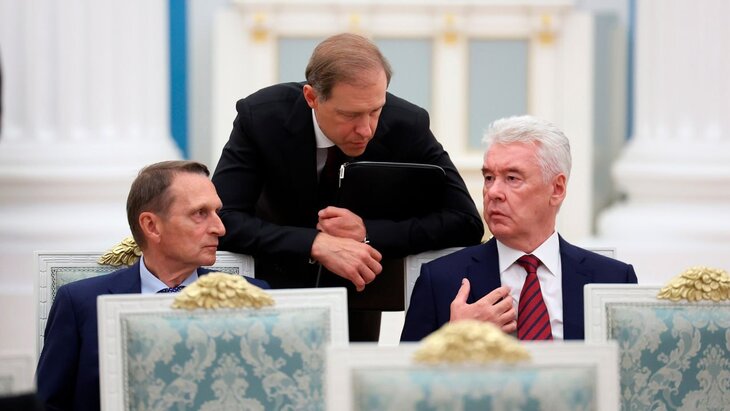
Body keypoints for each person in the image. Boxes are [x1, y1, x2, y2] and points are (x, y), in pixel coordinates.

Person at [212, 32, 484, 341]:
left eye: (375, 110)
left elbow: (466, 222)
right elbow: (222, 220)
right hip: (270, 299)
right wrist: (314, 243)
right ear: (311, 98)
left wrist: (368, 232)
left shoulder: (408, 123)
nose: (366, 129)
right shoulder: (261, 117)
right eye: (349, 115)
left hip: (358, 304)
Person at [36, 160, 269, 411]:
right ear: (151, 226)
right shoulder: (81, 303)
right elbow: (48, 405)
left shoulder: (253, 297)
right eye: (200, 213)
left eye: (217, 212)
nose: (220, 228)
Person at [401, 115, 638, 342]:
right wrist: (456, 337)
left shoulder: (613, 280)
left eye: (512, 178)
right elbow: (406, 370)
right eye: (489, 178)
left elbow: (632, 367)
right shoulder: (440, 280)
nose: (493, 192)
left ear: (557, 189)